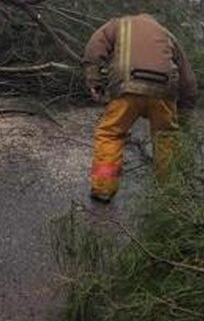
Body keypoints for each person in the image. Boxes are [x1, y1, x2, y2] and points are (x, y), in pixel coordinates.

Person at [82, 13, 197, 203]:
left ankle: (103, 188)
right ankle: (169, 190)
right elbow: (188, 79)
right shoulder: (167, 35)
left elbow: (94, 48)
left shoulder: (117, 25)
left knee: (111, 134)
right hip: (163, 91)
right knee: (166, 137)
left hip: (127, 88)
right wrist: (185, 112)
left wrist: (94, 81)